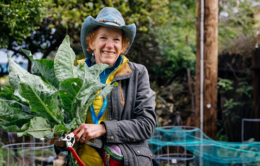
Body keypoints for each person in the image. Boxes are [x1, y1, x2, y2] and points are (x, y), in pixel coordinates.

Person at [48, 7, 156, 166]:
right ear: (92, 42)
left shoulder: (137, 73)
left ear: (123, 45)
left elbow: (147, 125)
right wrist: (58, 137)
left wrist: (103, 129)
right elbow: (64, 124)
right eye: (103, 37)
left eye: (116, 39)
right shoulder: (74, 74)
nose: (110, 45)